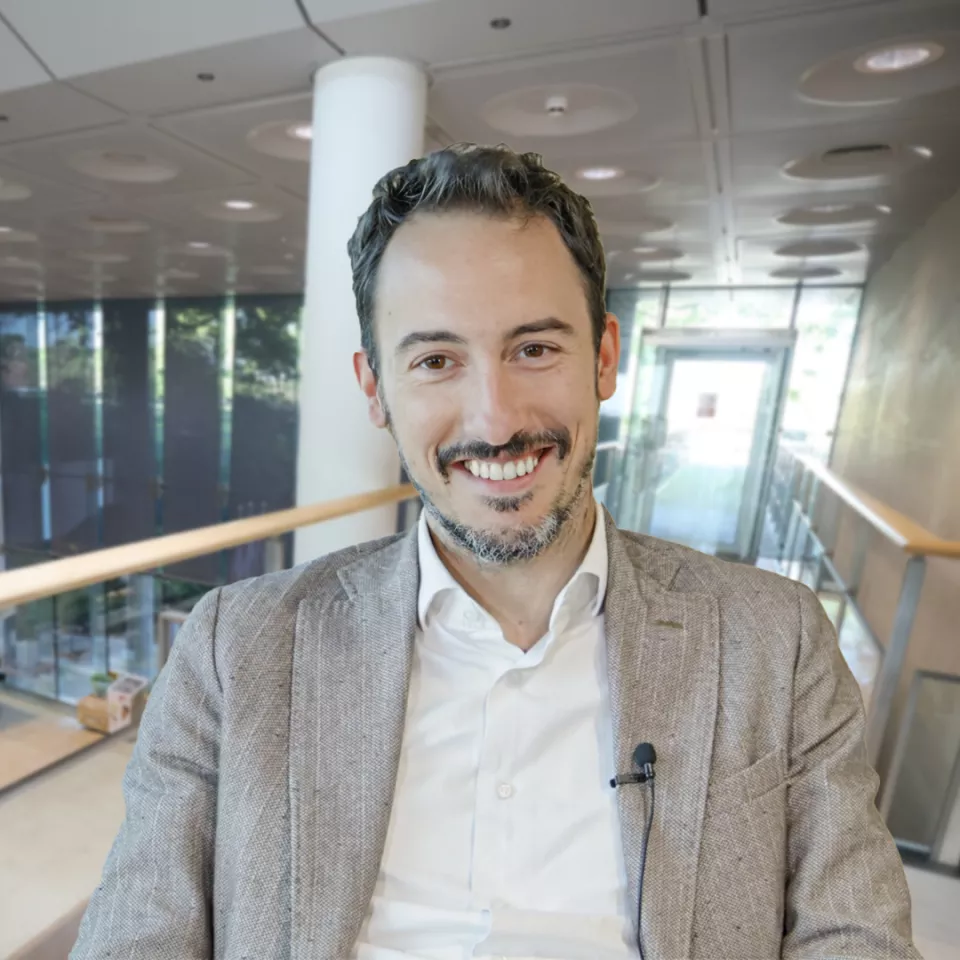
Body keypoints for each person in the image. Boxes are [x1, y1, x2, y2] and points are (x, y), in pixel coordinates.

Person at [72, 144, 919, 960]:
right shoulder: (234, 646)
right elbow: (138, 930)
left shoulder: (778, 640)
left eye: (535, 349)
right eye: (437, 360)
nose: (495, 419)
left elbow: (857, 937)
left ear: (605, 357)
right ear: (376, 389)